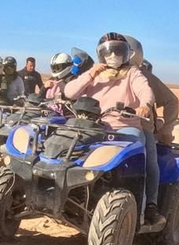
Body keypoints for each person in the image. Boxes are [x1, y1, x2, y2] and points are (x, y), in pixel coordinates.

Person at [64, 31, 161, 224]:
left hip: (125, 127)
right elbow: (70, 92)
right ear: (101, 54)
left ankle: (148, 207)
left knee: (145, 158)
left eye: (118, 51)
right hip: (94, 126)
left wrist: (145, 105)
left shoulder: (133, 73)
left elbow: (145, 90)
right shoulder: (94, 74)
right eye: (108, 52)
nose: (113, 56)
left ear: (126, 53)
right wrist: (91, 73)